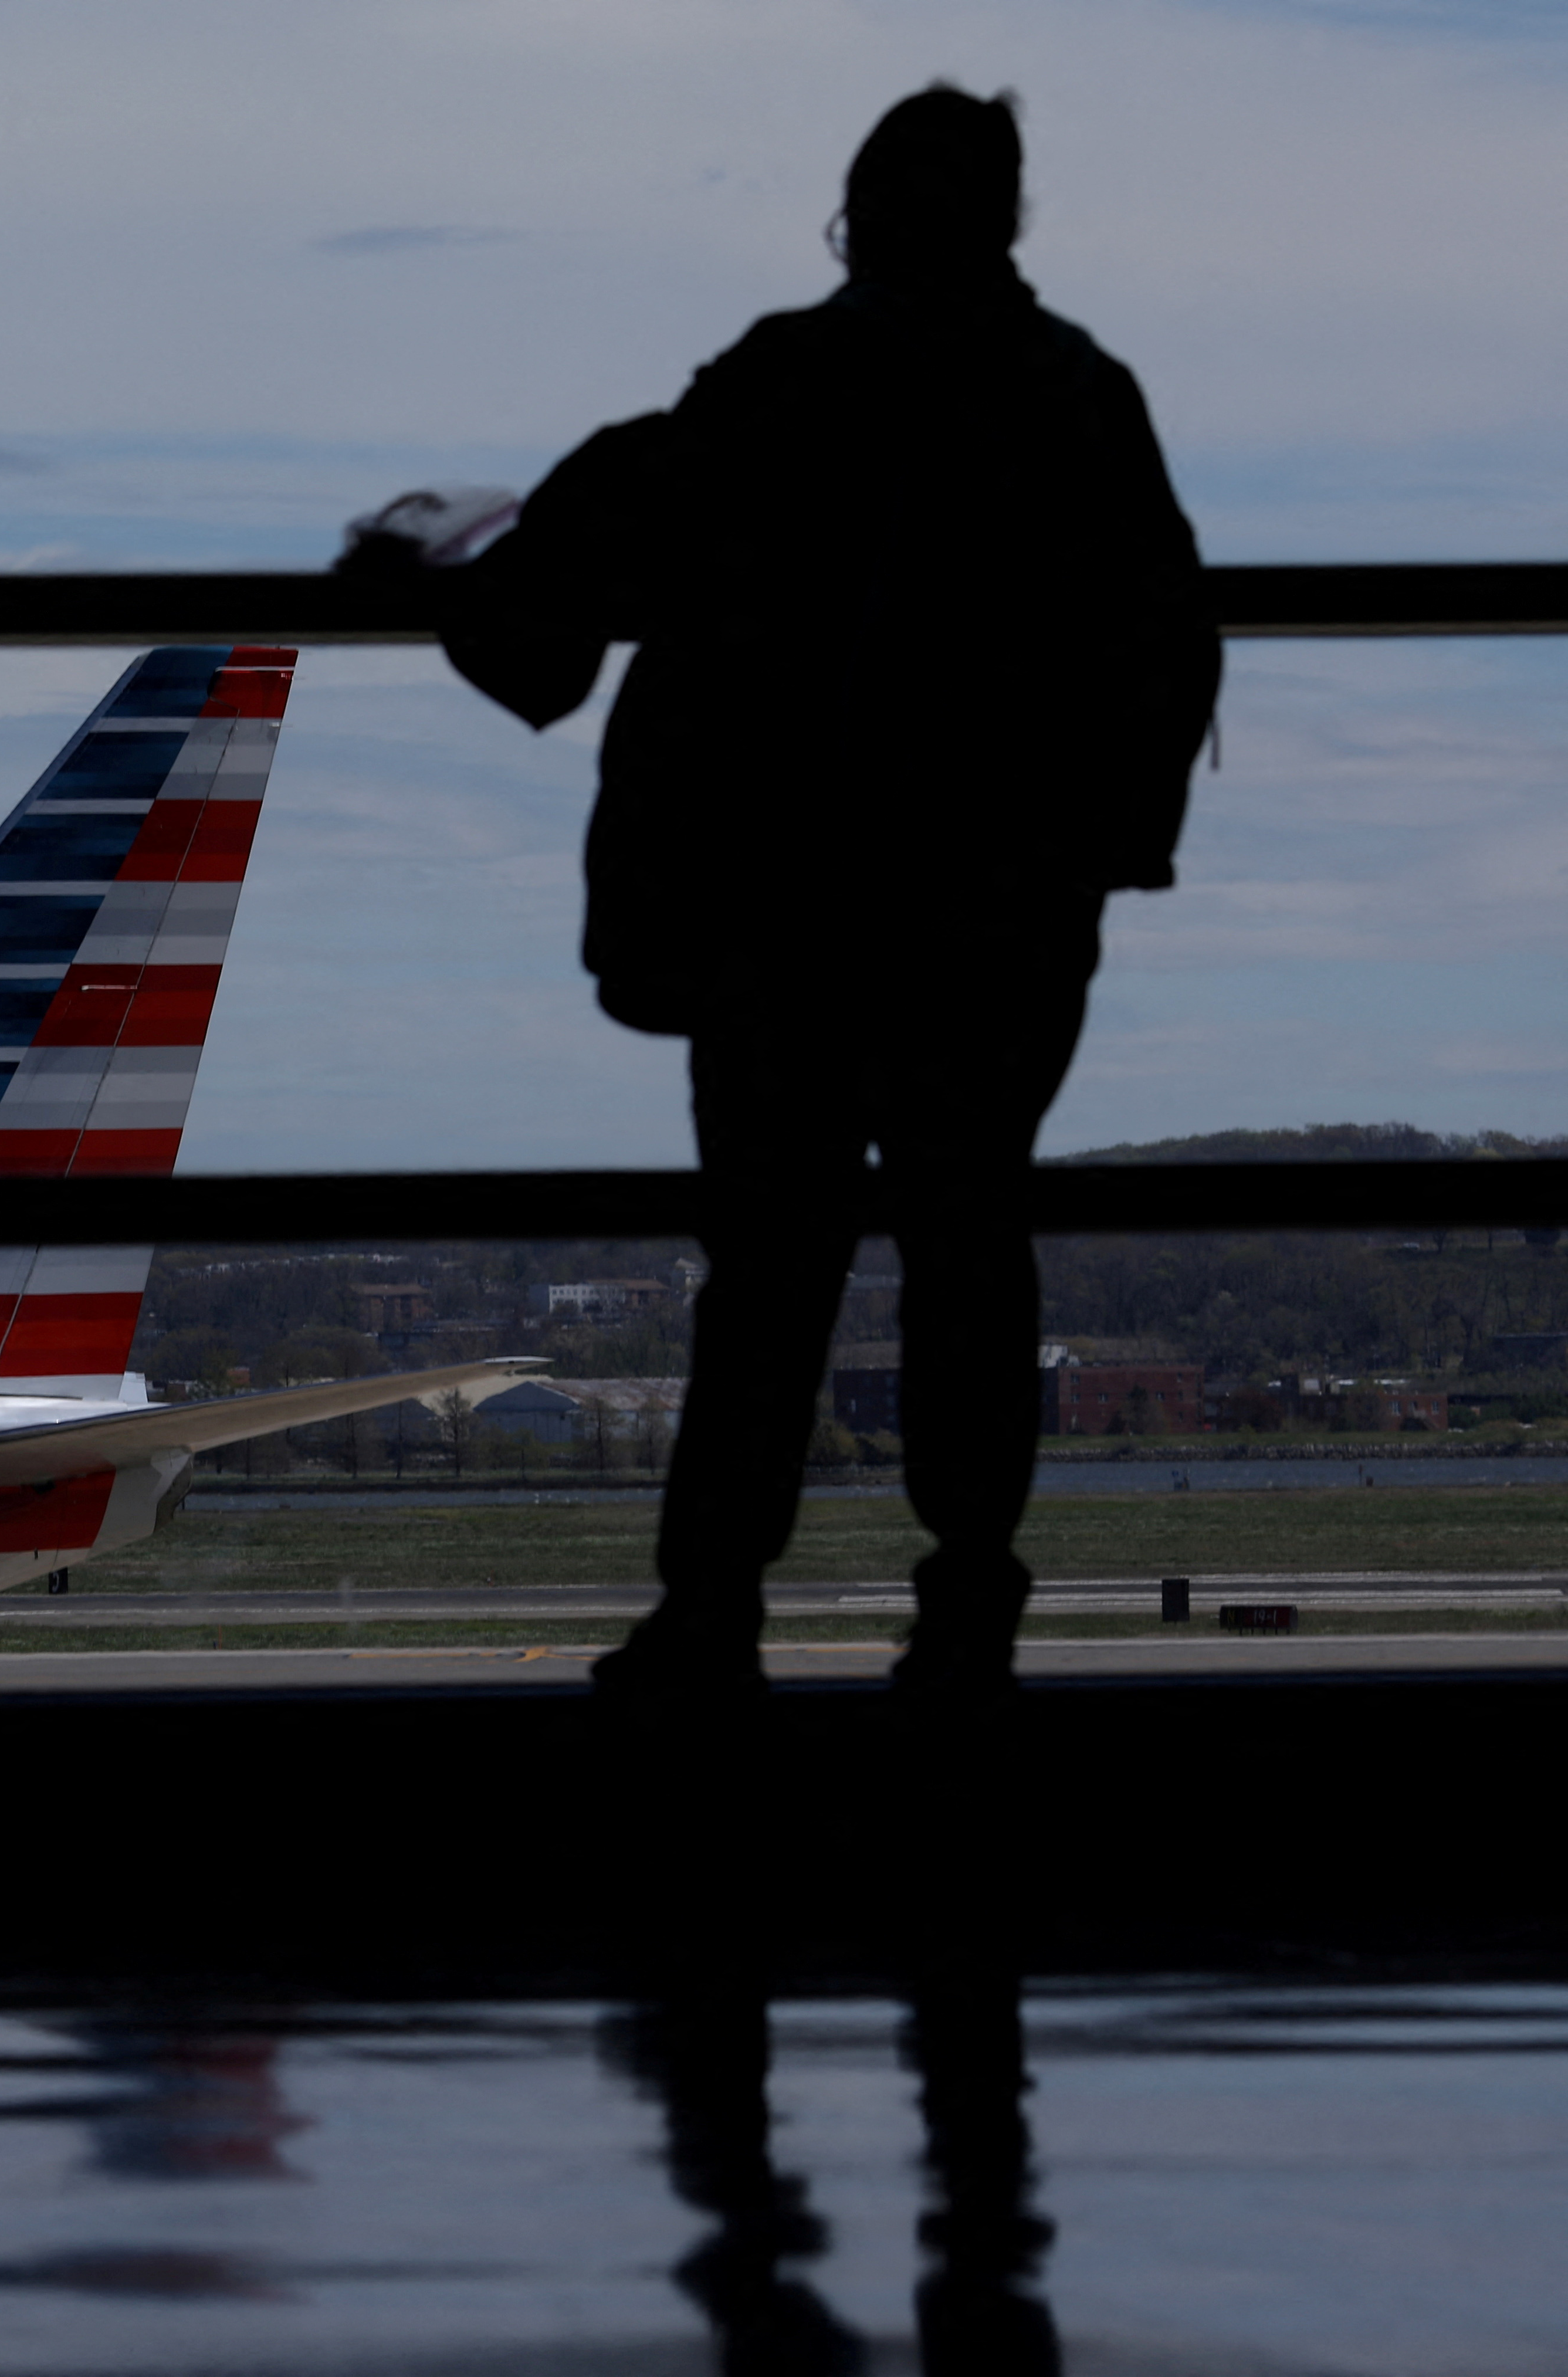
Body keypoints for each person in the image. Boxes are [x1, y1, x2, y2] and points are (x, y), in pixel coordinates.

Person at [346, 86, 1220, 1701]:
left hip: (779, 914)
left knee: (769, 1262)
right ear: (1007, 223)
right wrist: (1093, 845)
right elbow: (1164, 645)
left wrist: (428, 568)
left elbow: (567, 576)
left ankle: (715, 1605)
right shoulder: (1074, 398)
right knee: (971, 1241)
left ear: (857, 218)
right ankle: (968, 1604)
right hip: (997, 913)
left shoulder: (781, 386)